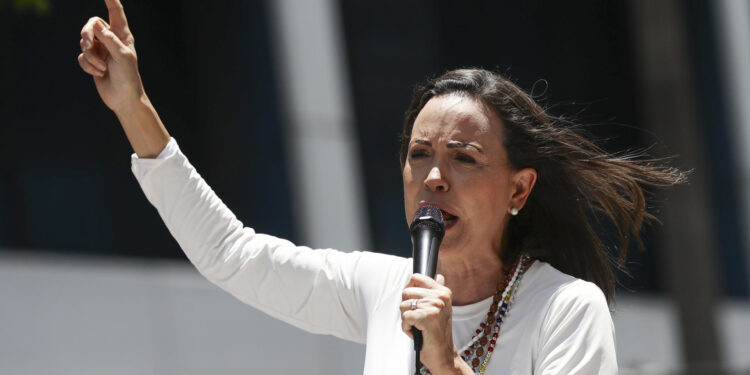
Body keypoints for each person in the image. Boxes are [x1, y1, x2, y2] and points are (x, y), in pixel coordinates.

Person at [77, 1, 686, 374]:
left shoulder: (566, 309)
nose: (434, 177)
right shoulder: (382, 289)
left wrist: (446, 364)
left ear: (519, 190)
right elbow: (232, 255)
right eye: (418, 155)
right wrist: (134, 107)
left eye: (464, 158)